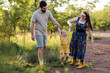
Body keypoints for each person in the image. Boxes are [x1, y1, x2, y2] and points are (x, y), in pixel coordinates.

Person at [30, 1, 60, 66]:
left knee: (44, 47)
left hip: (45, 32)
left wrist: (57, 23)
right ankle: (41, 63)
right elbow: (32, 24)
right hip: (38, 32)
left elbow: (53, 20)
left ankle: (41, 59)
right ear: (40, 7)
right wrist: (32, 35)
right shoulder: (35, 13)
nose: (45, 9)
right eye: (43, 8)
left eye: (45, 8)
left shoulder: (48, 12)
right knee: (40, 47)